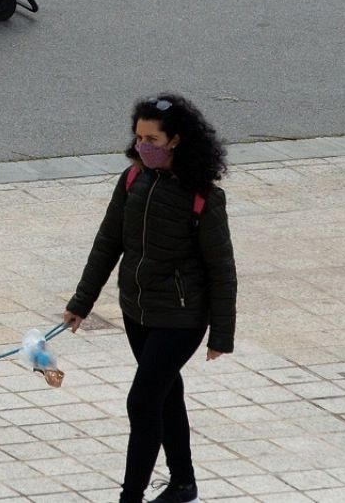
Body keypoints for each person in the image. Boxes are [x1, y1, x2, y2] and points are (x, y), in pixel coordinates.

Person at [63, 94, 237, 503]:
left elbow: (222, 270)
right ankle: (183, 484)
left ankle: (131, 497)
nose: (142, 146)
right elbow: (108, 242)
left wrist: (221, 335)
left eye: (152, 139)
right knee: (165, 393)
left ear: (175, 140)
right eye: (139, 137)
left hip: (181, 318)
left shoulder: (203, 198)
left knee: (142, 402)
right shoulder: (132, 180)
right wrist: (81, 302)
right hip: (137, 311)